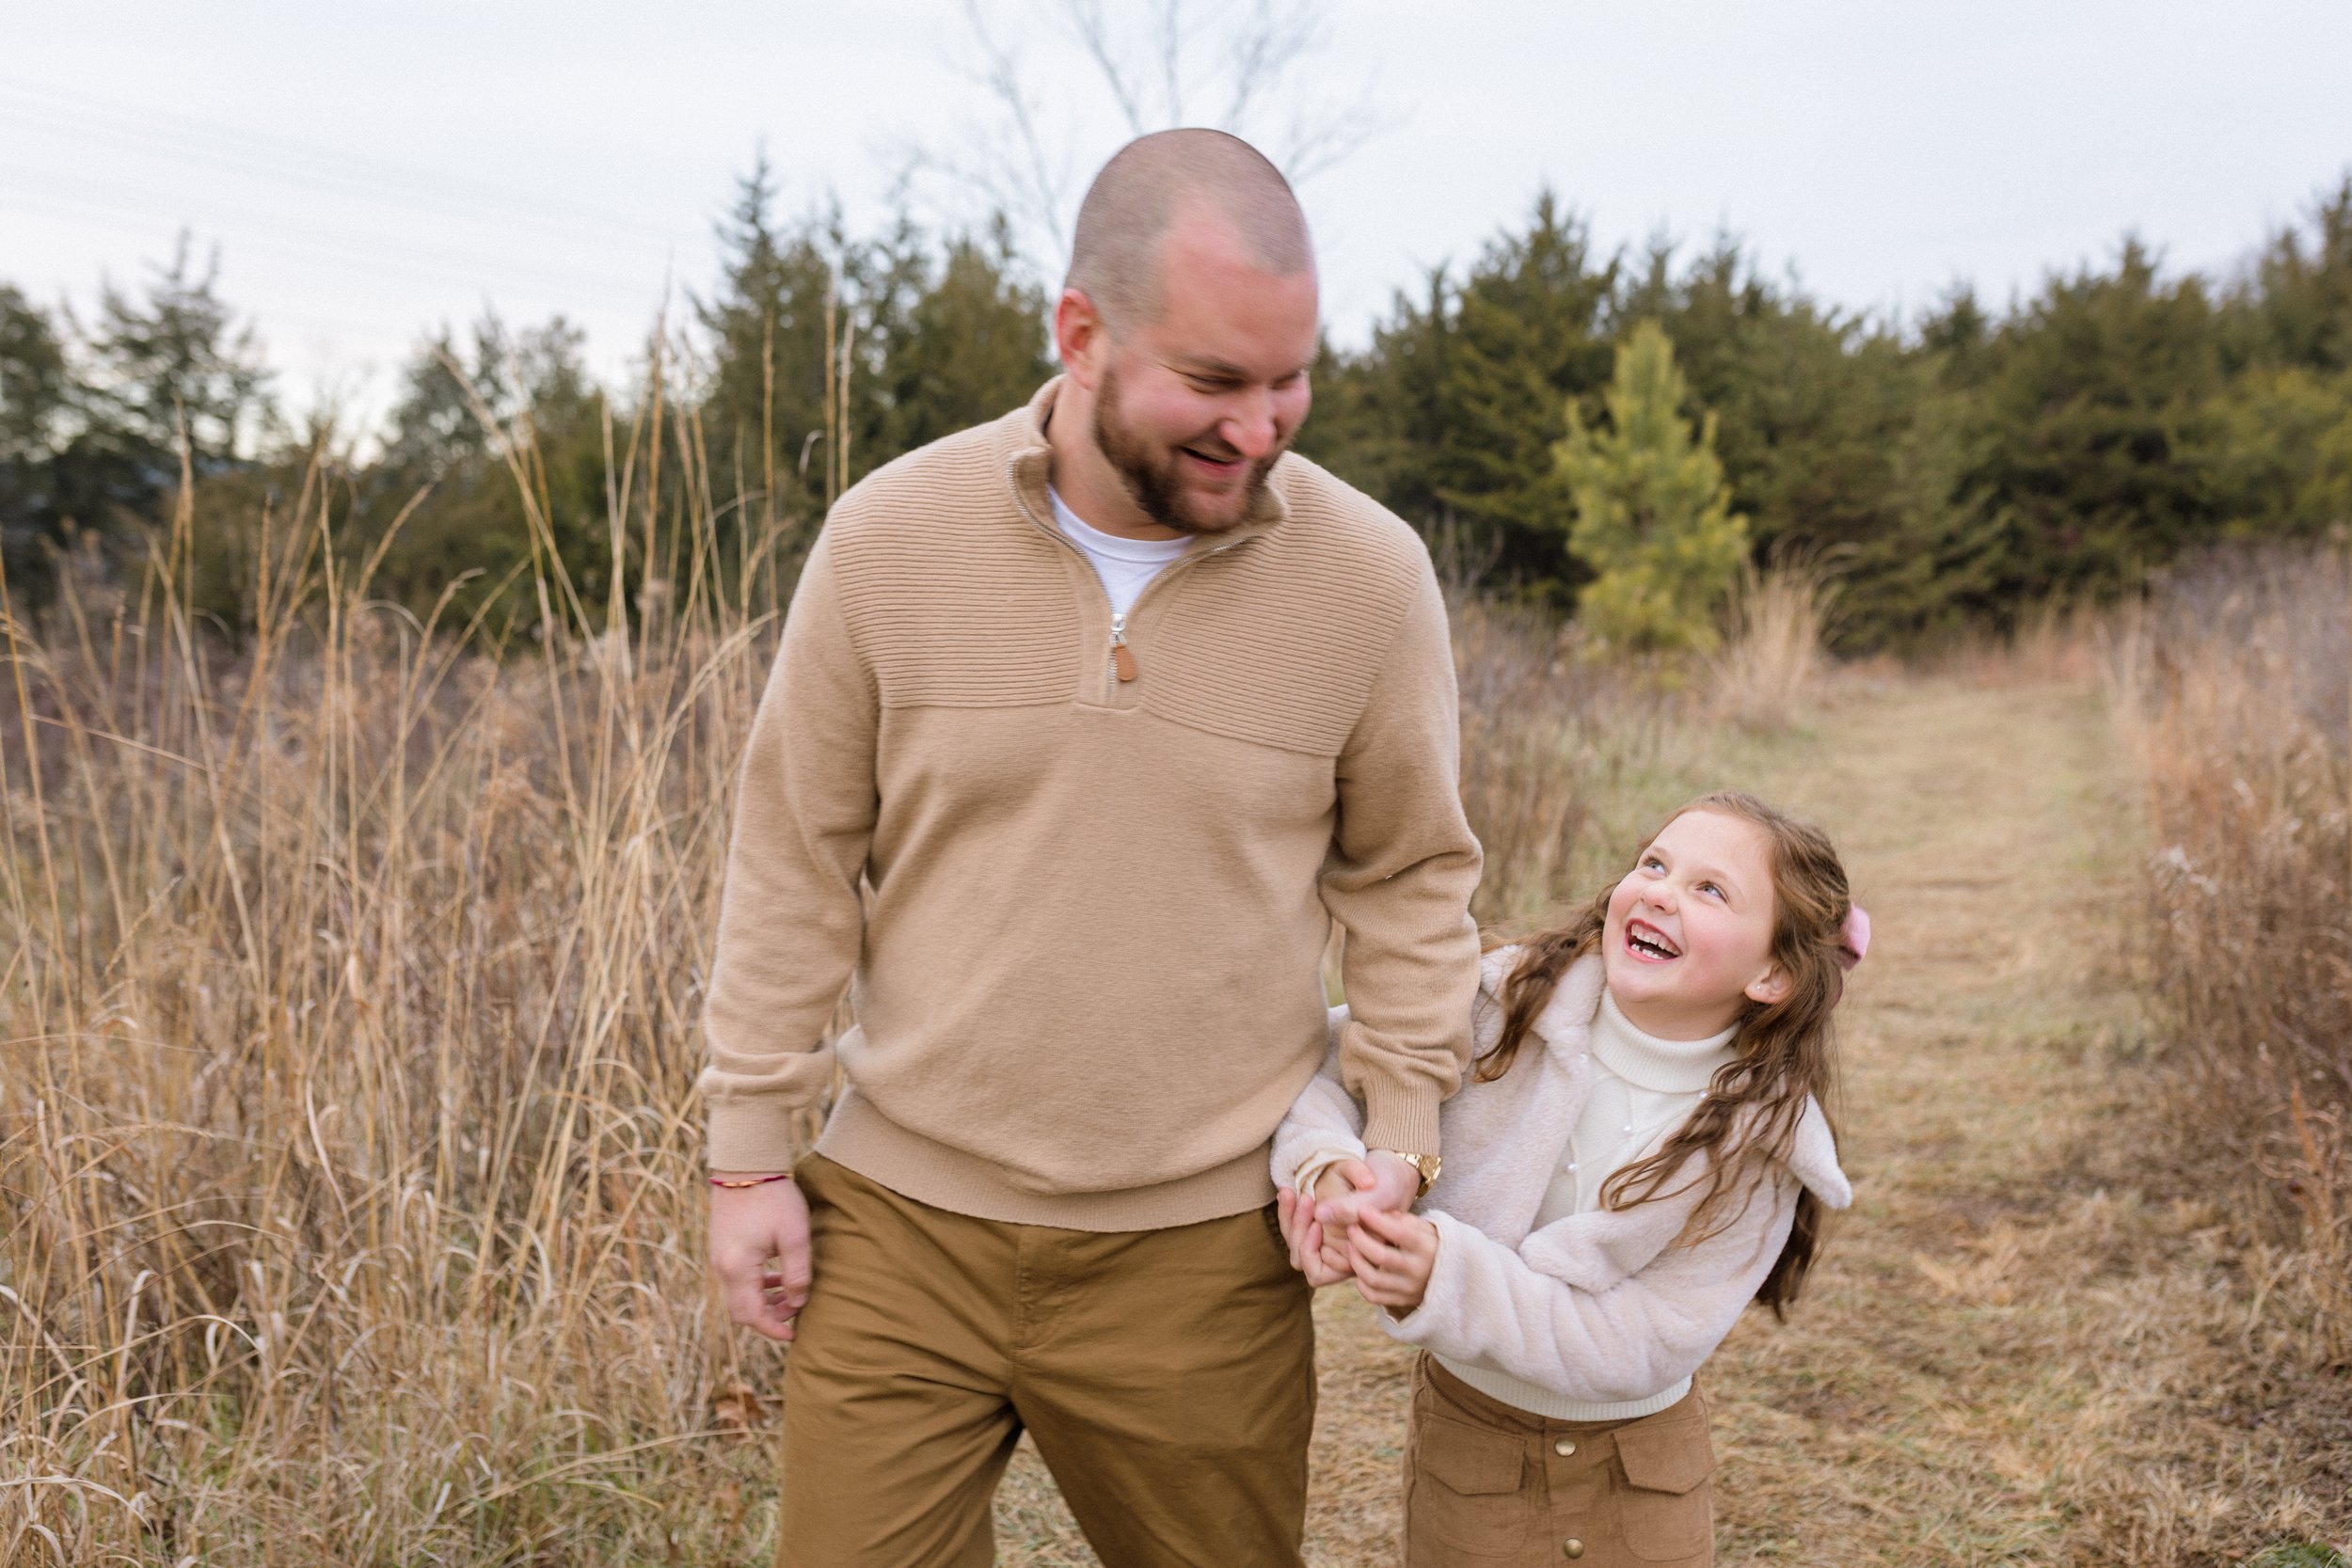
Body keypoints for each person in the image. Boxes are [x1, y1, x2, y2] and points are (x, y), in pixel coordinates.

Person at [698, 127, 1484, 1567]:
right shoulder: (886, 538)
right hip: (899, 1227)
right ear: (1080, 335)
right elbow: (794, 855)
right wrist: (750, 1155)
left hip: (1202, 1254)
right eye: (1214, 381)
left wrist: (1402, 1125)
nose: (1261, 426)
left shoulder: (1369, 579)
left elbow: (1414, 876)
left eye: (1290, 377)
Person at [1275, 790, 1865, 1568]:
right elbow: (1323, 1061)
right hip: (1471, 1442)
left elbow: (1644, 1342)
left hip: (1642, 1468)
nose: (1658, 889)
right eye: (1654, 863)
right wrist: (1326, 1169)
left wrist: (1449, 1275)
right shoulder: (1501, 1004)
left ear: (1773, 976)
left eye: (1709, 889)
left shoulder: (1761, 1145)